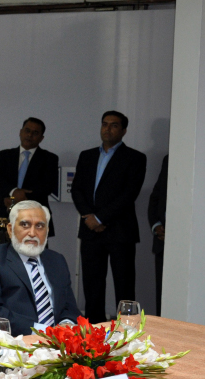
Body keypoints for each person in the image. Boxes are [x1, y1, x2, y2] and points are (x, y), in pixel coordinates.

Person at [70, 110, 147, 322]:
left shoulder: (135, 158)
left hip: (120, 230)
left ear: (123, 131)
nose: (108, 129)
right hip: (90, 230)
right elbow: (77, 190)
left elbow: (129, 194)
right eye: (105, 124)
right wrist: (89, 217)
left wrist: (100, 218)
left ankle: (127, 330)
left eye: (114, 125)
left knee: (124, 285)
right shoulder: (87, 156)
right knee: (92, 286)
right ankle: (94, 330)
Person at [0, 200, 80, 337]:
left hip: (59, 341)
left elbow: (70, 308)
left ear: (47, 231)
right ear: (10, 229)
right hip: (15, 341)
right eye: (25, 225)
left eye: (39, 226)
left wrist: (67, 325)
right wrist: (43, 331)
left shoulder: (57, 260)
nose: (32, 233)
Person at [0, 117, 59, 236]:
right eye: (27, 130)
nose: (30, 135)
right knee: (0, 247)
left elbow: (47, 186)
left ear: (41, 138)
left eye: (35, 133)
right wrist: (13, 192)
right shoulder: (5, 155)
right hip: (3, 213)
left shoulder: (49, 159)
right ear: (20, 132)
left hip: (35, 217)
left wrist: (19, 199)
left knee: (33, 248)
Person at [147, 154, 168, 316]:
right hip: (163, 241)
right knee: (163, 296)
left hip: (190, 244)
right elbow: (156, 197)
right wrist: (156, 225)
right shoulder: (169, 159)